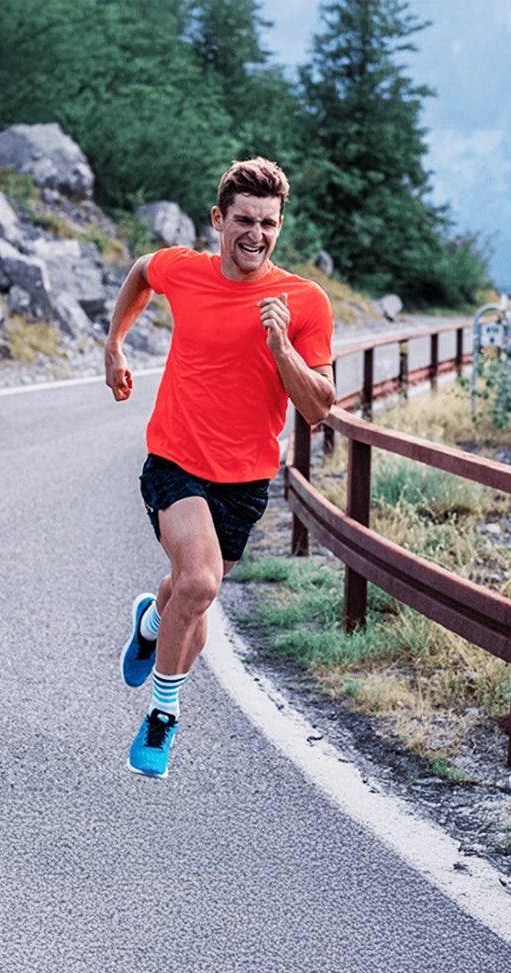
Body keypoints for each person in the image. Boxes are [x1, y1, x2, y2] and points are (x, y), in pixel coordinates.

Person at [105, 157, 335, 778]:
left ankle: (151, 621)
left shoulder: (304, 302)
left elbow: (317, 407)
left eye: (268, 223)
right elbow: (141, 273)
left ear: (280, 226)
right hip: (174, 459)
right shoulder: (185, 269)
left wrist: (282, 346)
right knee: (201, 583)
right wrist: (115, 343)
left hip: (246, 478)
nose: (255, 234)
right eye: (243, 220)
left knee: (188, 595)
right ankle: (163, 719)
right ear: (218, 220)